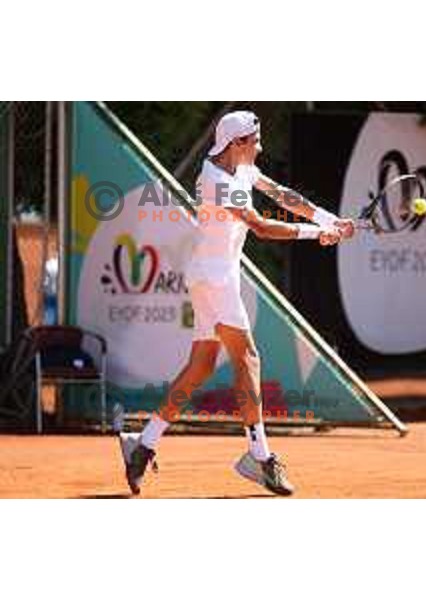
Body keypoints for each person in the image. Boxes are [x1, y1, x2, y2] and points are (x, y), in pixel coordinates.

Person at [120, 110, 354, 496]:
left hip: (209, 275)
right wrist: (318, 234)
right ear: (238, 143)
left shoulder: (242, 166)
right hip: (214, 278)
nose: (261, 147)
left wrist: (330, 219)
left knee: (201, 366)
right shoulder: (215, 180)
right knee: (248, 358)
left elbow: (281, 195)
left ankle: (142, 444)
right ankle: (259, 457)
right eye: (255, 141)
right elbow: (261, 226)